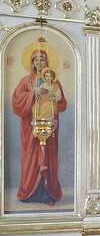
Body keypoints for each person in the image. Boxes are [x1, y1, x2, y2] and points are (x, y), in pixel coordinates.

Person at [11, 45, 66, 205]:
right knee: (31, 158)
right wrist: (32, 94)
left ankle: (48, 193)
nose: (39, 63)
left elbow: (62, 103)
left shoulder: (54, 81)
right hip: (30, 126)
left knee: (48, 157)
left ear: (47, 62)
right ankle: (30, 193)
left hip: (49, 124)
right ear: (32, 62)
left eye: (42, 60)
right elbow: (16, 102)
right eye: (36, 60)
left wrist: (53, 98)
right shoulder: (26, 81)